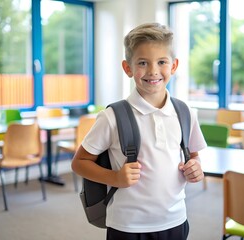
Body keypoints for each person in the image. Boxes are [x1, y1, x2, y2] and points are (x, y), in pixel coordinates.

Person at [71, 22, 207, 240]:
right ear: (128, 68)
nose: (153, 70)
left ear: (174, 66)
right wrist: (115, 177)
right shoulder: (112, 116)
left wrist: (196, 168)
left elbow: (194, 156)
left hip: (176, 220)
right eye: (142, 63)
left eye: (162, 62)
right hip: (128, 226)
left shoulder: (186, 112)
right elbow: (79, 162)